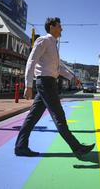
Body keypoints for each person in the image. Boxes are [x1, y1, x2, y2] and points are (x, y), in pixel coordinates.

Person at [14, 17, 95, 158]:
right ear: (51, 27)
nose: (62, 29)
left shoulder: (54, 45)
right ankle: (77, 148)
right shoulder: (43, 41)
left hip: (49, 83)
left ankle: (20, 146)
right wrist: (28, 85)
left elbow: (57, 69)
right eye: (59, 26)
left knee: (33, 117)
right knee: (59, 116)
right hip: (45, 83)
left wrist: (72, 78)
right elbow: (31, 61)